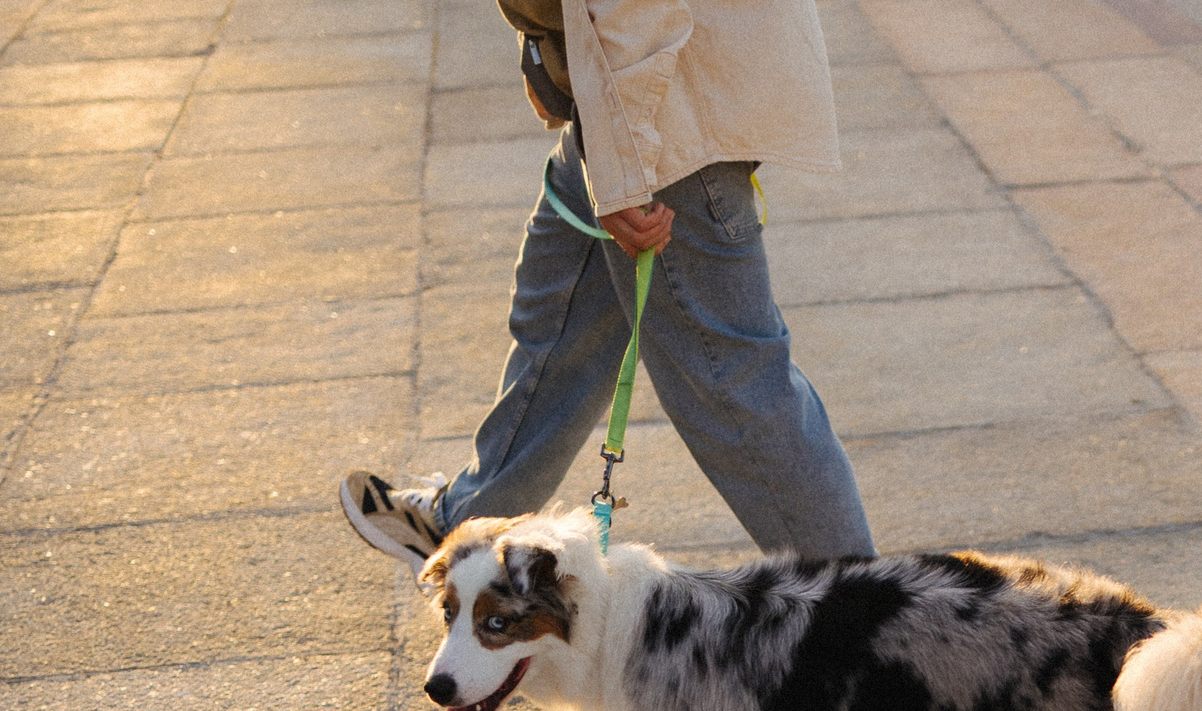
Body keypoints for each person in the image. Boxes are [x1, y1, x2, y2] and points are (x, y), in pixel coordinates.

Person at [340, 0, 874, 568]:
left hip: (663, 106)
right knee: (560, 318)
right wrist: (551, 59)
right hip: (631, 90)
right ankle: (469, 523)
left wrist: (626, 166)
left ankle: (869, 618)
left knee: (733, 387)